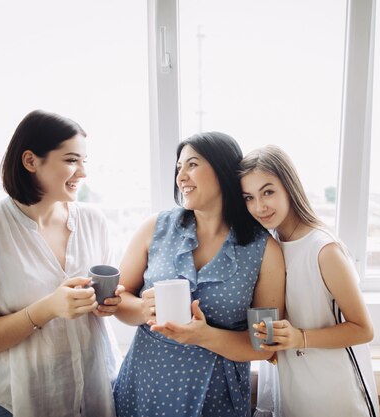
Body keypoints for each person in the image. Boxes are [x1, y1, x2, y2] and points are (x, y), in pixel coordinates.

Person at [0, 109, 124, 417]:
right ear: (30, 161)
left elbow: (105, 304)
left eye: (85, 161)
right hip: (18, 404)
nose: (82, 172)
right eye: (71, 160)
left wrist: (108, 304)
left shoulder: (94, 222)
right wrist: (48, 309)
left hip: (97, 394)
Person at [113, 132, 286, 417]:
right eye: (178, 168)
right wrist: (144, 308)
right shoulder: (155, 227)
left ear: (223, 169)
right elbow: (117, 300)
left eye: (192, 164)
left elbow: (263, 345)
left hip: (215, 397)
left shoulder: (264, 249)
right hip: (144, 387)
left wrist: (204, 336)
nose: (181, 176)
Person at [239, 145, 379, 417]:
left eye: (268, 191)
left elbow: (363, 329)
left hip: (335, 393)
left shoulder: (324, 250)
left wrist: (298, 337)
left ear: (289, 187)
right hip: (293, 391)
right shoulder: (270, 247)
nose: (259, 206)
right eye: (249, 197)